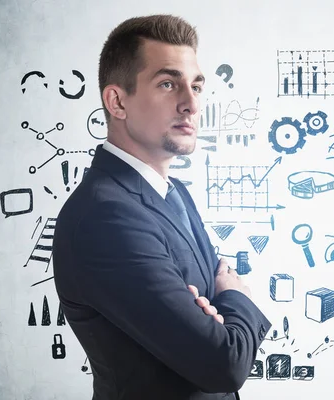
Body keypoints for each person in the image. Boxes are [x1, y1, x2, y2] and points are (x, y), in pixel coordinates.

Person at [53, 14, 271, 400]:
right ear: (117, 101)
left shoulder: (173, 192)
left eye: (197, 86)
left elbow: (212, 331)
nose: (191, 103)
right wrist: (237, 298)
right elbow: (223, 363)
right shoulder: (105, 218)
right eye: (168, 84)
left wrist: (215, 319)